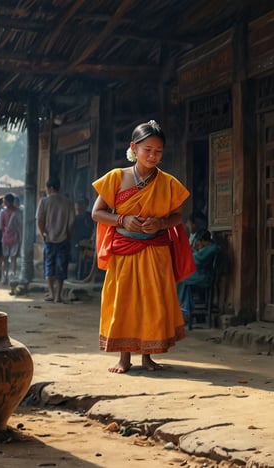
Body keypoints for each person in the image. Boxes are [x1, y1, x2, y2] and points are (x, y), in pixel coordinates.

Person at [92, 119, 190, 374]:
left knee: (151, 301)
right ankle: (124, 358)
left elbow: (178, 216)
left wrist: (160, 223)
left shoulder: (169, 183)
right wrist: (122, 219)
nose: (153, 156)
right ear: (134, 148)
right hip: (124, 250)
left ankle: (148, 356)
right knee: (124, 302)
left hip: (156, 251)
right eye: (147, 150)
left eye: (158, 151)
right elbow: (97, 213)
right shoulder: (116, 177)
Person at [36, 177, 75, 303]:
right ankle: (58, 296)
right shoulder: (68, 203)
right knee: (61, 267)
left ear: (51, 188)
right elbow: (71, 223)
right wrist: (68, 236)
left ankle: (51, 293)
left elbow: (40, 220)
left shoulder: (44, 201)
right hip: (63, 239)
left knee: (49, 266)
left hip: (49, 239)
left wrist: (43, 234)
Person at [176, 229, 219, 326]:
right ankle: (184, 307)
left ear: (203, 240)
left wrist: (192, 253)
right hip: (199, 274)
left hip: (204, 277)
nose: (199, 244)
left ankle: (183, 308)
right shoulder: (208, 248)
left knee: (181, 279)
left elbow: (197, 259)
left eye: (199, 242)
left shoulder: (211, 248)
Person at [0, 193, 23, 285]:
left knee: (5, 259)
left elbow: (1, 226)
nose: (4, 203)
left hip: (5, 238)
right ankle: (12, 278)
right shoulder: (18, 212)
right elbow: (20, 226)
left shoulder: (3, 213)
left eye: (5, 201)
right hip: (15, 238)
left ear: (9, 202)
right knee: (13, 259)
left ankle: (4, 278)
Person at [72, 197, 95, 278]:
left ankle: (82, 274)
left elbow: (93, 230)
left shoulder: (90, 217)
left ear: (85, 205)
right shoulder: (76, 218)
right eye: (78, 205)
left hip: (89, 243)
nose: (78, 207)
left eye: (81, 205)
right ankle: (79, 274)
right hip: (77, 243)